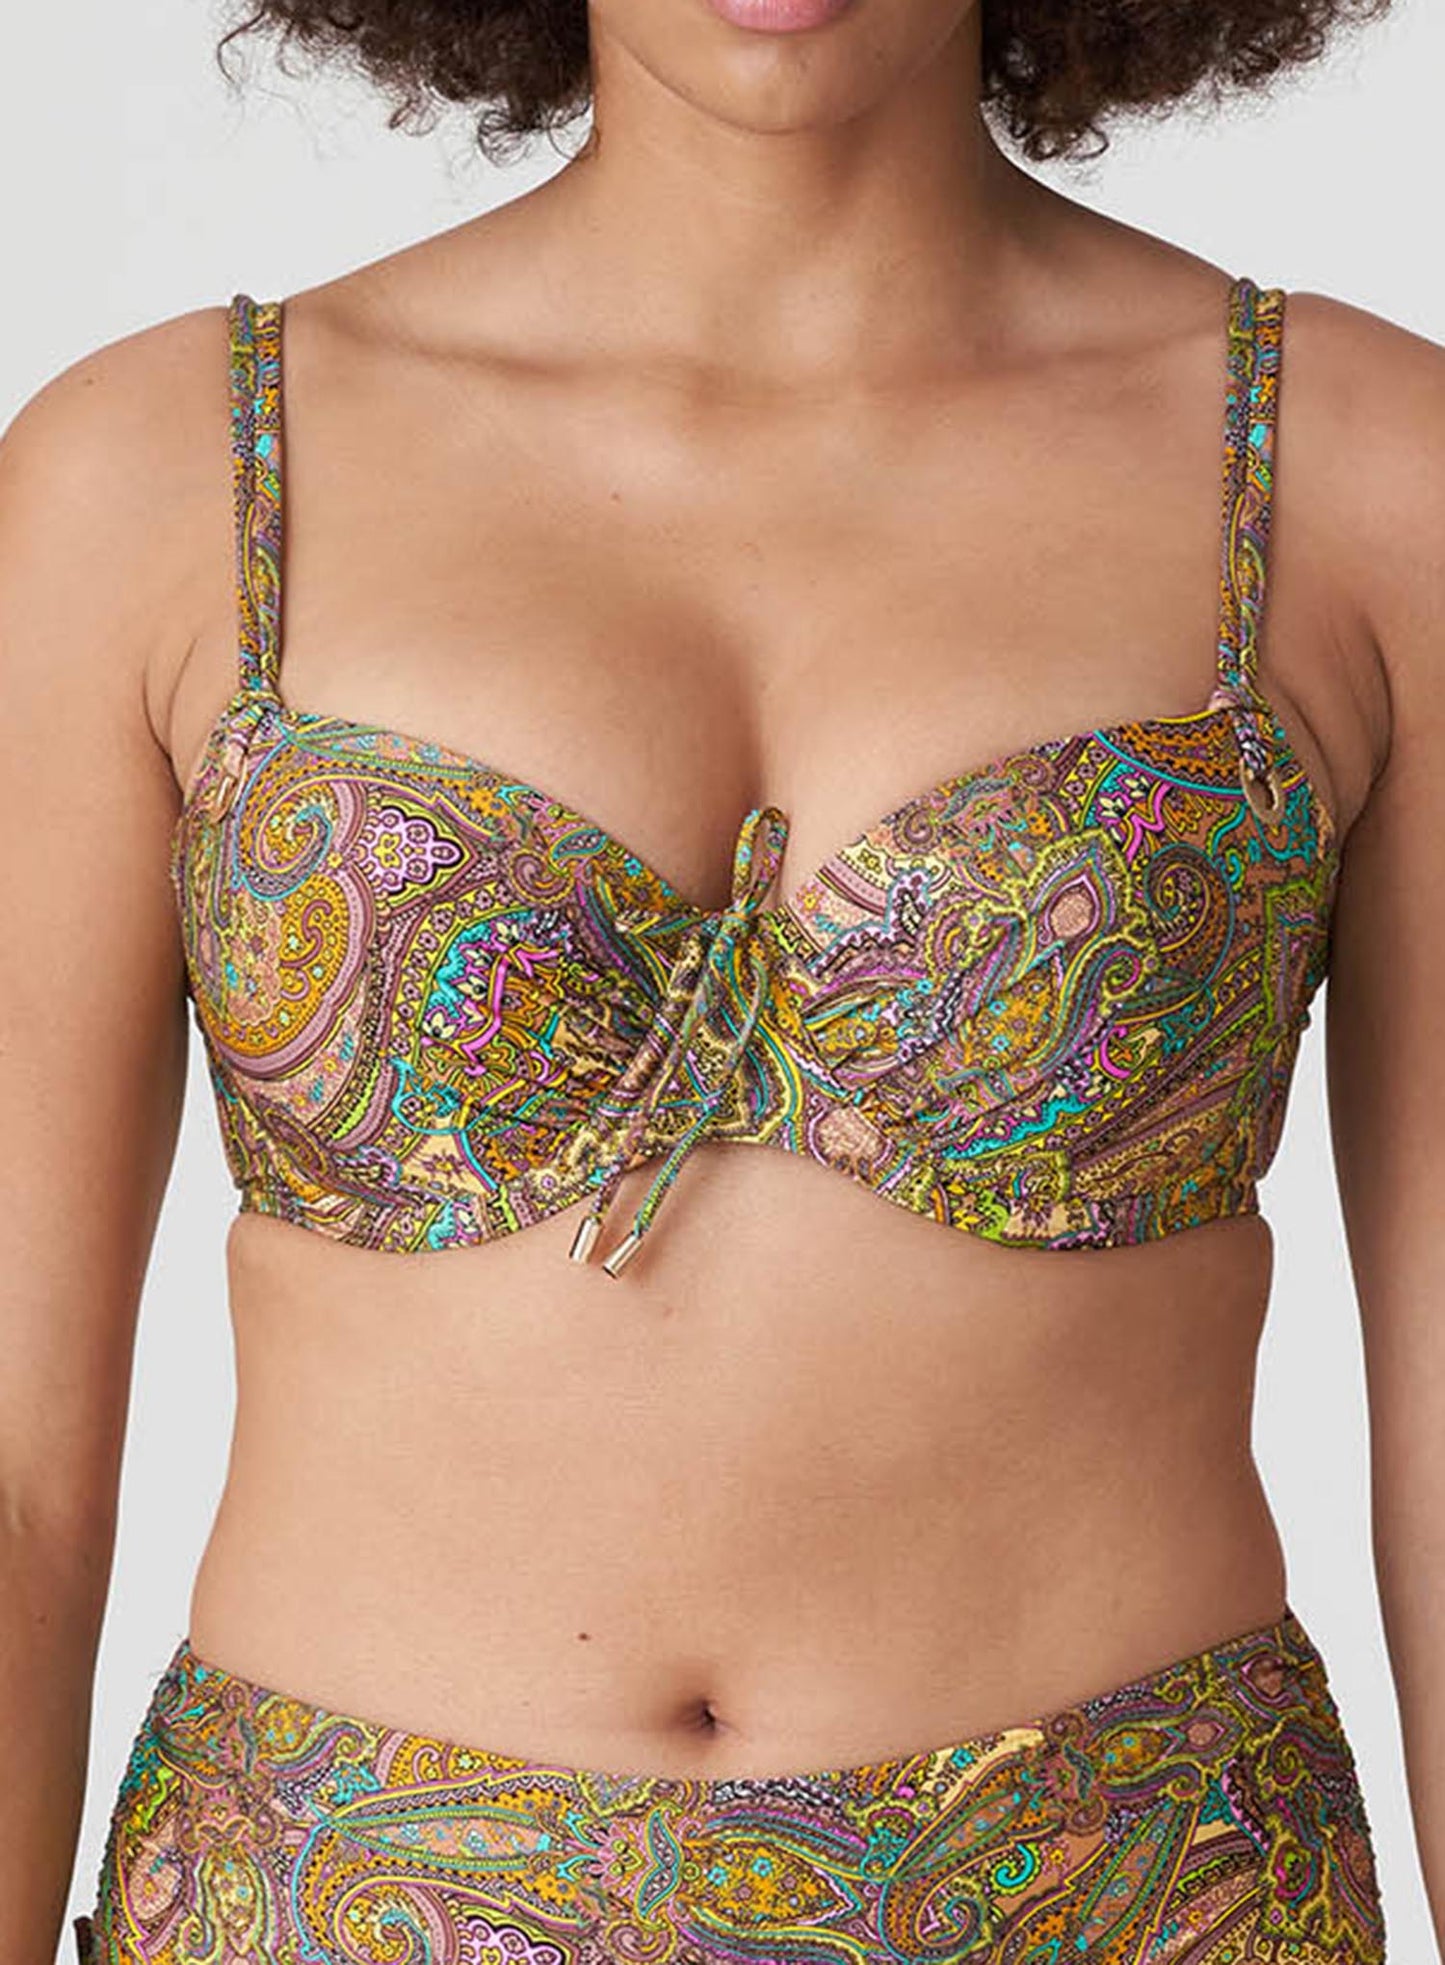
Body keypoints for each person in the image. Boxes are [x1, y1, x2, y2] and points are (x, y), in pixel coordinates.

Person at [2, 0, 1441, 1958]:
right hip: (327, 1907)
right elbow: (15, 1480)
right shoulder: (154, 480)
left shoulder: (1369, 480)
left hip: (1142, 1894)